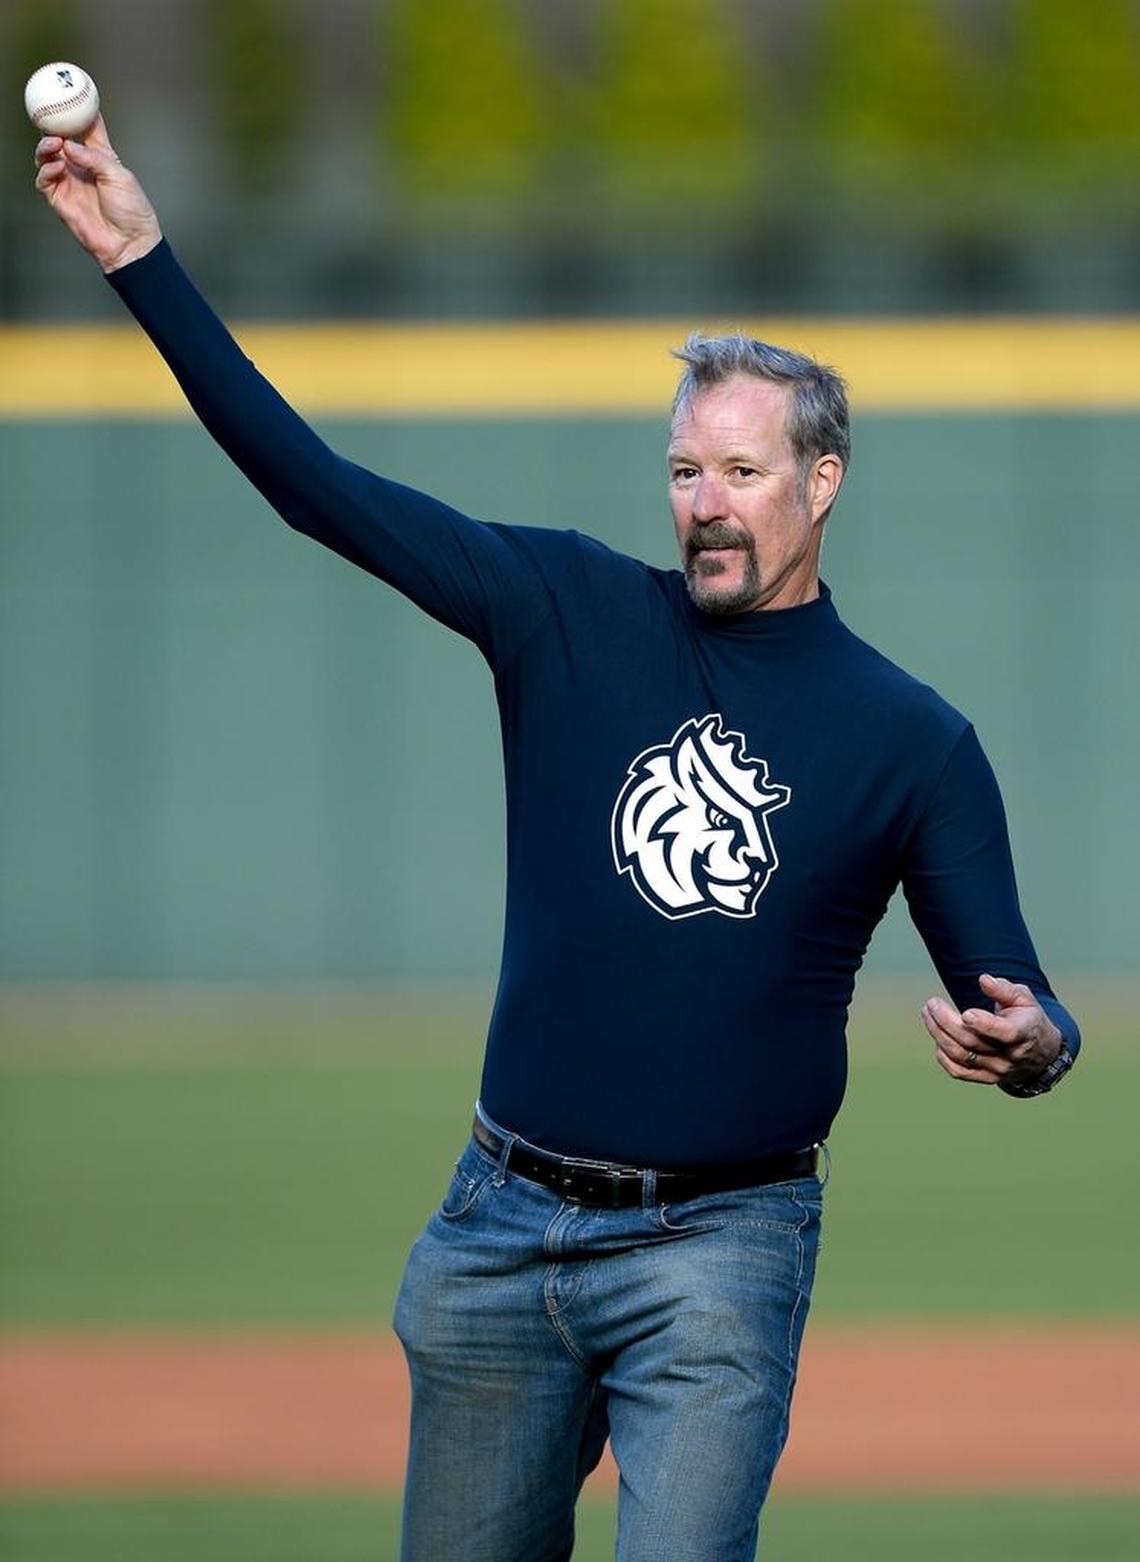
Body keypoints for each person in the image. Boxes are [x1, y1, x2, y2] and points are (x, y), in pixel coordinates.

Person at [34, 122, 1079, 1562]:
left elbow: (1018, 995)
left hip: (721, 1251)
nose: (707, 505)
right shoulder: (568, 608)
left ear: (823, 481)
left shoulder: (911, 739)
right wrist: (141, 260)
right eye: (685, 471)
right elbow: (314, 485)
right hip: (498, 1229)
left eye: (742, 471)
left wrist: (1036, 1043)